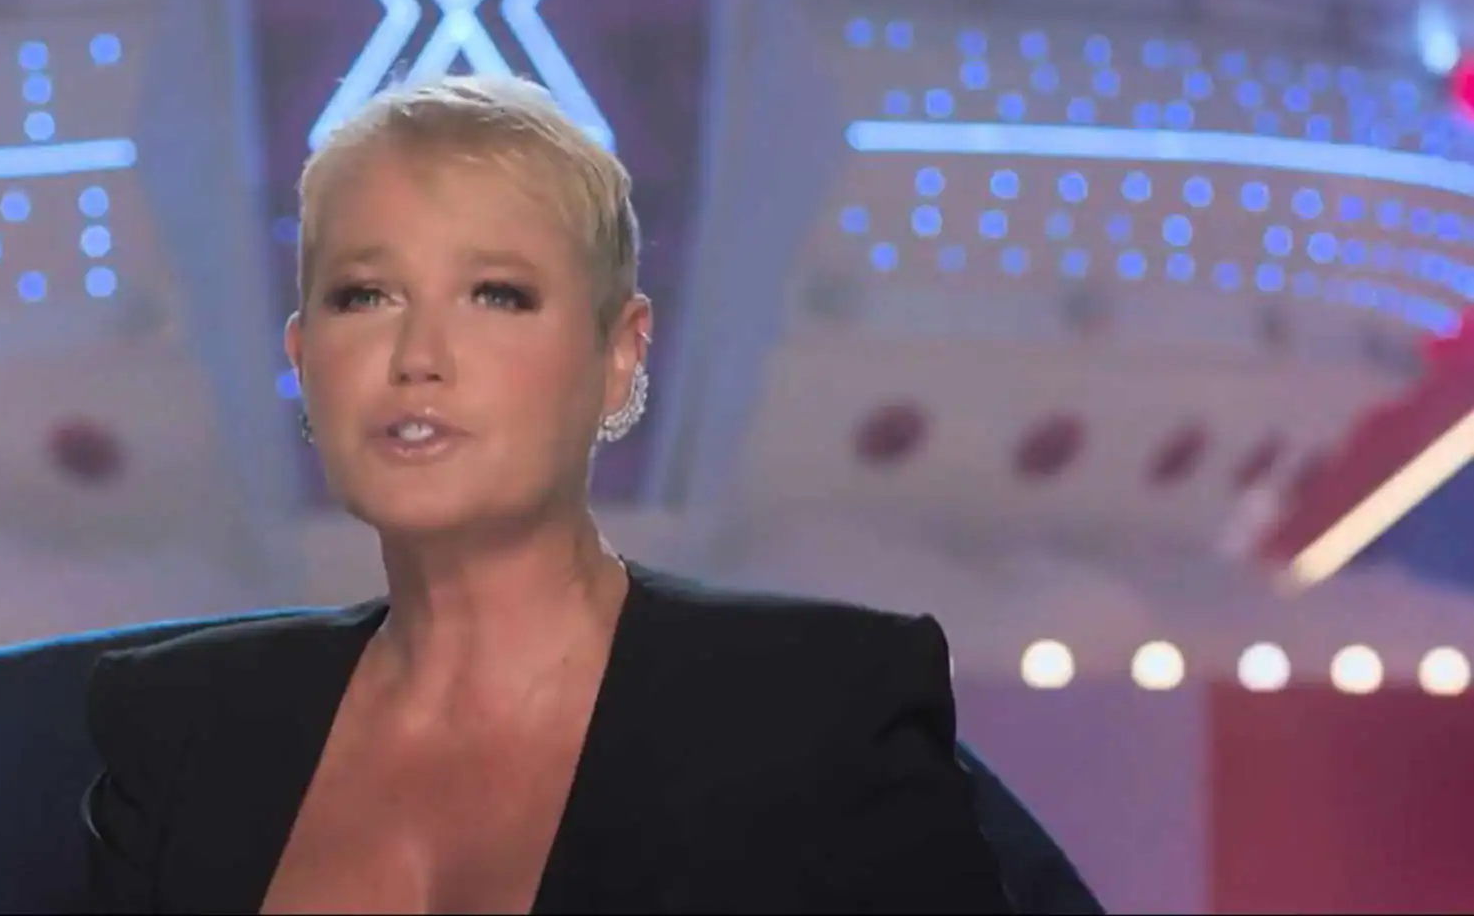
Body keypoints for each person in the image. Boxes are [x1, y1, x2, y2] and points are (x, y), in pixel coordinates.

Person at [82, 74, 1012, 914]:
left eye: (497, 294)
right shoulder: (180, 725)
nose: (417, 358)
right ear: (303, 357)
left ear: (619, 354)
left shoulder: (820, 712)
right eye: (364, 296)